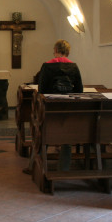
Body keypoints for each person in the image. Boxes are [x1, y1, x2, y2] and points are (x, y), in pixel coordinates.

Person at [37, 39, 83, 171]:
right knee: (66, 137)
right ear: (68, 52)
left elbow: (41, 89)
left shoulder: (47, 66)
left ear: (56, 50)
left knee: (44, 134)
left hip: (50, 108)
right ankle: (64, 168)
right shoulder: (73, 67)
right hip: (68, 108)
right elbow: (79, 89)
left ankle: (37, 165)